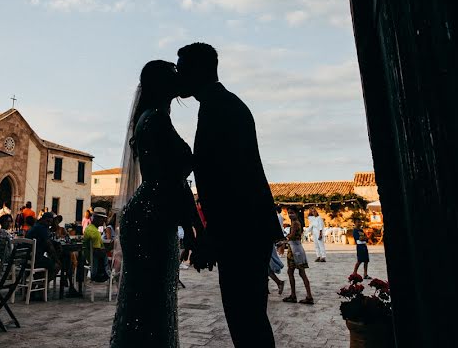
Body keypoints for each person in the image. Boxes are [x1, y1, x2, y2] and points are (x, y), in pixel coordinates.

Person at [177, 43, 281, 347]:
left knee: (246, 321)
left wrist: (213, 235)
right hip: (246, 229)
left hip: (242, 231)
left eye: (182, 68)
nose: (179, 75)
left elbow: (230, 180)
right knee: (248, 320)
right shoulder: (222, 104)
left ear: (198, 70)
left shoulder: (219, 108)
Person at [110, 60, 203, 347]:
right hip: (152, 217)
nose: (179, 78)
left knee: (147, 297)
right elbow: (172, 179)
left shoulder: (150, 118)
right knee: (152, 297)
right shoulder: (157, 120)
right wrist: (194, 226)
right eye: (173, 75)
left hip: (149, 214)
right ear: (163, 85)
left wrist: (191, 224)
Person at [281, 210, 314, 304]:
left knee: (293, 272)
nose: (290, 215)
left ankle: (294, 295)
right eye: (289, 213)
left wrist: (283, 240)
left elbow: (291, 236)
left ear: (296, 214)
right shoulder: (297, 223)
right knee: (299, 272)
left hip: (294, 251)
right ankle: (307, 295)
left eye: (292, 212)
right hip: (297, 248)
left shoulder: (295, 224)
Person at [26, 211, 60, 281]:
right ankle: (41, 287)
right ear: (43, 219)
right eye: (47, 221)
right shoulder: (42, 228)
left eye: (50, 223)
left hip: (28, 257)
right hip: (35, 259)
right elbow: (49, 246)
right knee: (56, 266)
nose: (48, 224)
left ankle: (36, 283)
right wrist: (57, 260)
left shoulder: (35, 226)